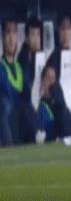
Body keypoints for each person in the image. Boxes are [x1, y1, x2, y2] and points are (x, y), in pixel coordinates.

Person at [0, 18, 38, 146]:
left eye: (14, 33)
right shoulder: (1, 66)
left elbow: (27, 96)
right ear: (3, 37)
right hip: (8, 119)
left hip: (21, 119)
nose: (11, 38)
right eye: (8, 33)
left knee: (29, 108)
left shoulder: (19, 68)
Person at [37, 64, 71, 142]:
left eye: (53, 78)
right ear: (42, 81)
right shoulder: (42, 106)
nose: (51, 82)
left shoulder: (60, 101)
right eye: (48, 78)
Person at [17, 15, 43, 97]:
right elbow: (26, 87)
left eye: (38, 34)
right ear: (27, 38)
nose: (36, 39)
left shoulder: (40, 55)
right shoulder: (23, 57)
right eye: (33, 34)